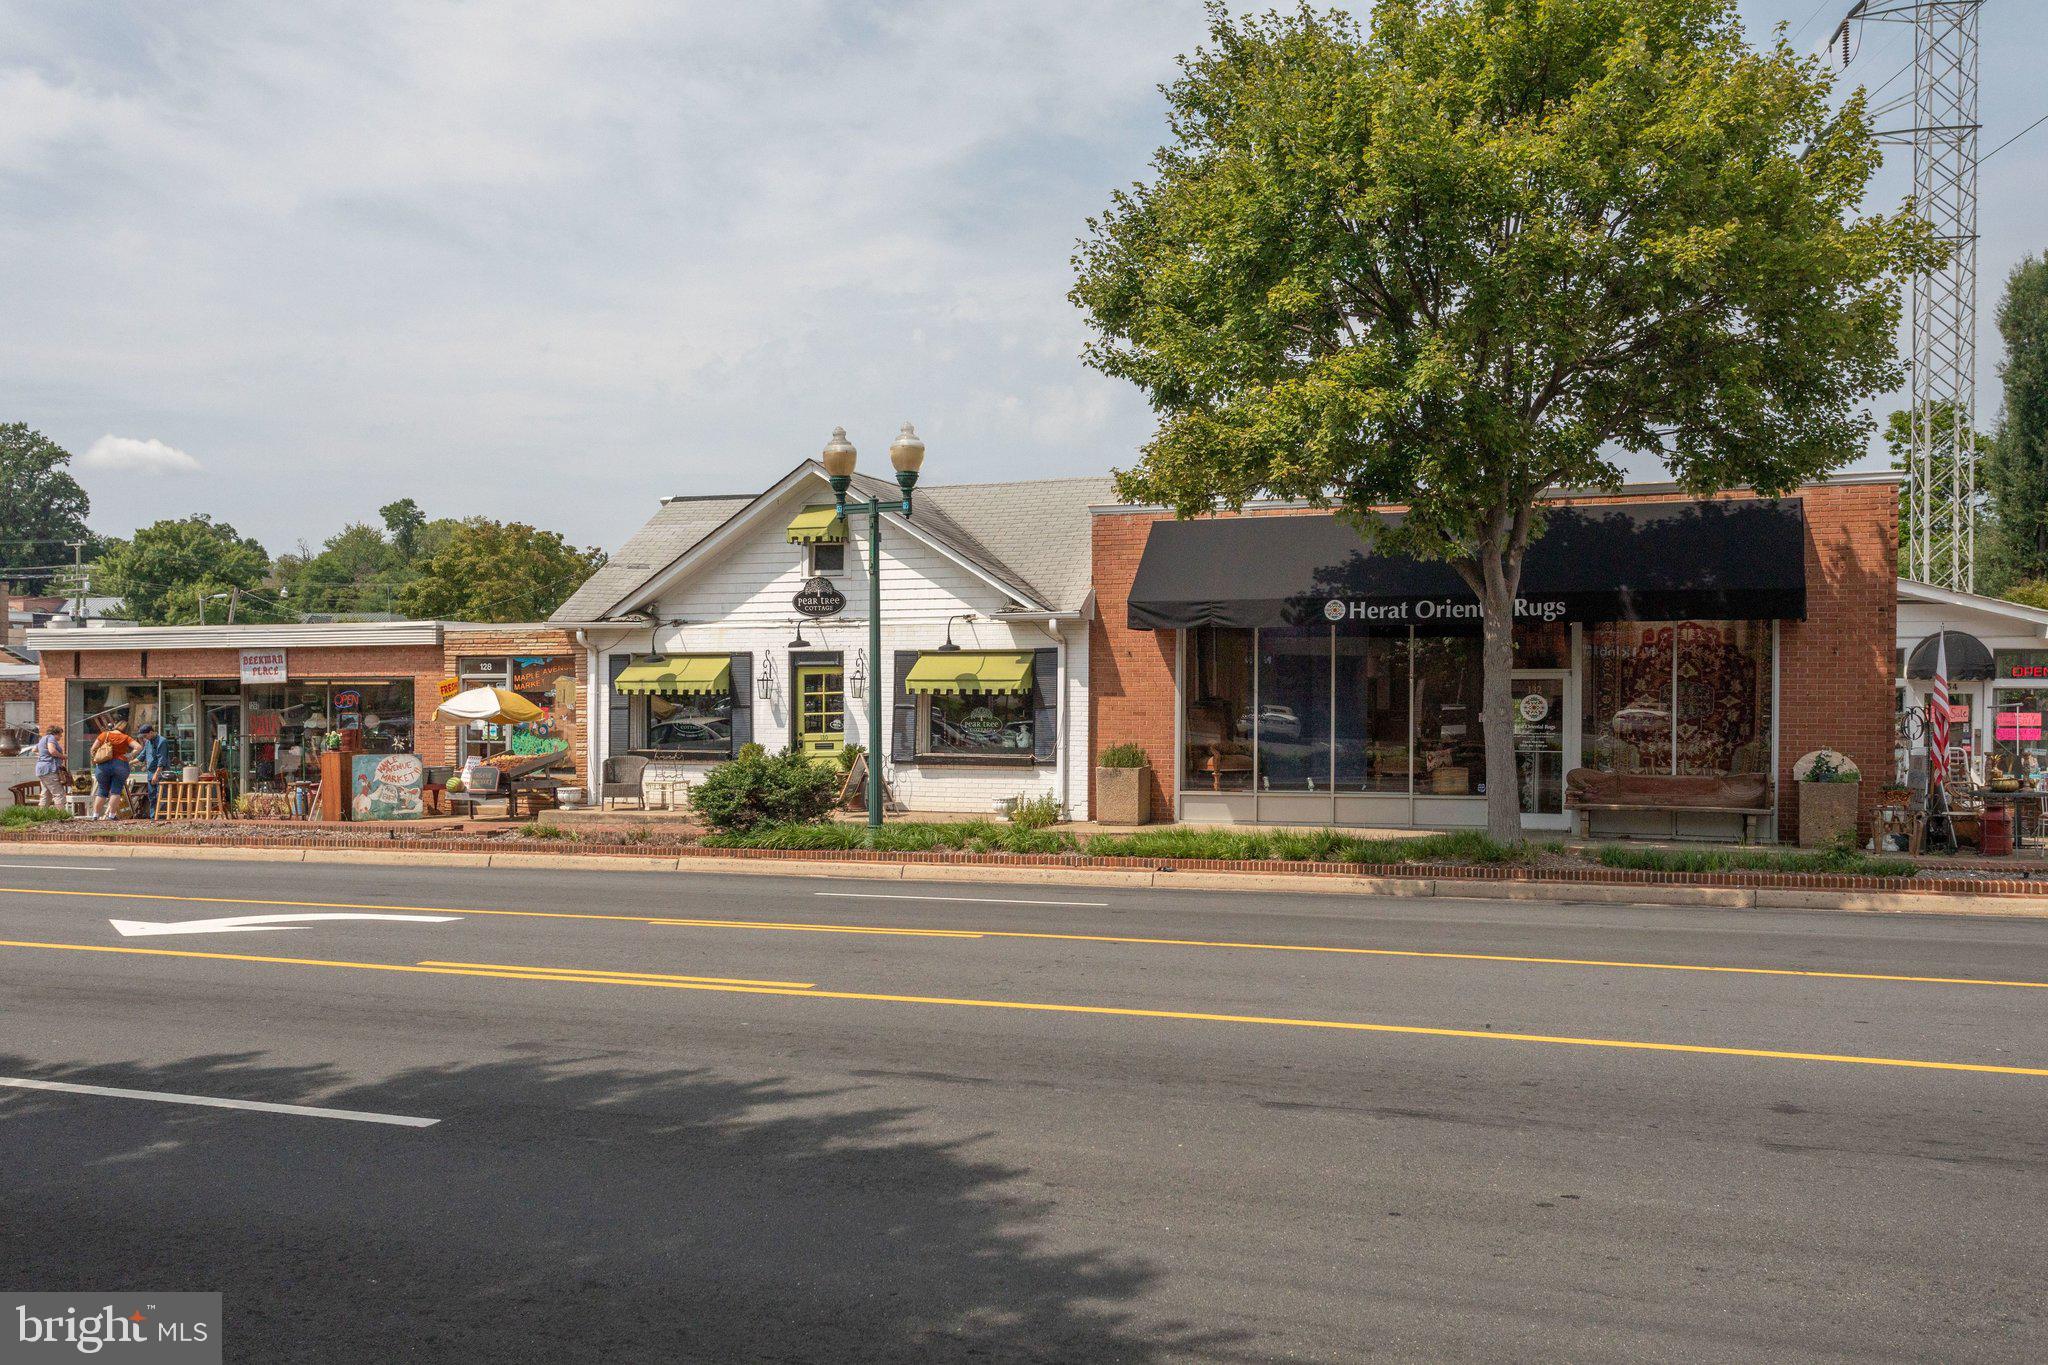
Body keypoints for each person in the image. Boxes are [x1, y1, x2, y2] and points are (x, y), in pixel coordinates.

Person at [87, 722, 138, 821]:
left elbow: (93, 749)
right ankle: (111, 815)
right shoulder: (126, 737)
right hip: (120, 765)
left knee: (101, 791)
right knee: (116, 791)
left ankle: (95, 815)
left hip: (103, 766)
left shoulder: (104, 735)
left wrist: (96, 760)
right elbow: (138, 747)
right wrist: (130, 755)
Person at [136, 724, 175, 819]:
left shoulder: (162, 741)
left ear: (151, 732)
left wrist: (156, 775)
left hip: (161, 772)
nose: (144, 738)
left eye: (145, 736)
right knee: (152, 796)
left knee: (161, 795)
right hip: (150, 772)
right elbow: (142, 756)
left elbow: (162, 760)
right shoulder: (148, 742)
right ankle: (154, 817)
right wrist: (129, 762)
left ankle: (161, 817)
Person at [32, 725, 66, 808]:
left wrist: (43, 755)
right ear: (55, 733)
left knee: (46, 794)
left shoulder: (43, 739)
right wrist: (62, 756)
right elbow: (52, 750)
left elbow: (34, 750)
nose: (61, 737)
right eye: (60, 735)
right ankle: (62, 816)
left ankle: (41, 816)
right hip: (49, 769)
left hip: (41, 769)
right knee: (59, 793)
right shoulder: (51, 738)